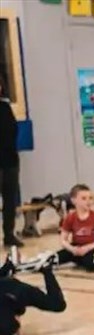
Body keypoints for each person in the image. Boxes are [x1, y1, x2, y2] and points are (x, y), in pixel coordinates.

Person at [0, 253, 66, 335]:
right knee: (7, 325)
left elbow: (12, 317)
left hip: (17, 291)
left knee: (58, 304)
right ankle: (9, 265)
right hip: (7, 292)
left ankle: (46, 269)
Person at [56, 184, 94, 271]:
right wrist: (72, 249)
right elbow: (63, 240)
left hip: (92, 248)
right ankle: (78, 258)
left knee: (92, 265)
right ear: (74, 201)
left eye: (90, 198)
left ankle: (81, 259)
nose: (88, 201)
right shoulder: (70, 217)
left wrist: (87, 248)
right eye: (84, 198)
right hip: (76, 247)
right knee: (53, 259)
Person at [0, 78, 20, 248]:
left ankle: (9, 234)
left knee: (10, 200)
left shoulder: (5, 107)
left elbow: (13, 130)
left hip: (10, 161)